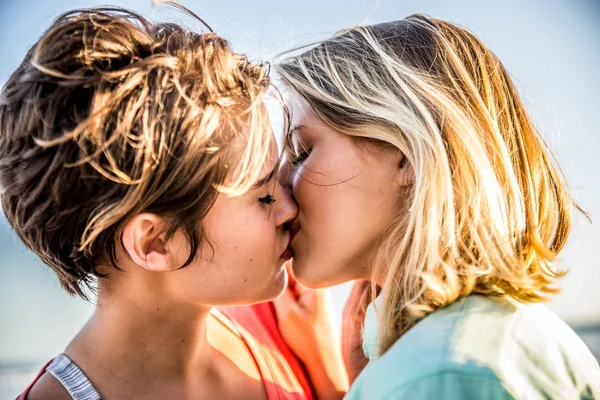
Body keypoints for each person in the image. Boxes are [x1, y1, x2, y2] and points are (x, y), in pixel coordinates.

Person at [0, 6, 346, 400]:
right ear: (155, 243)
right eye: (264, 196)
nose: (290, 208)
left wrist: (327, 378)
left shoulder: (286, 320)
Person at [274, 14, 600, 399]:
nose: (279, 188)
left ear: (410, 155)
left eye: (302, 151)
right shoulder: (490, 343)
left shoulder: (439, 373)